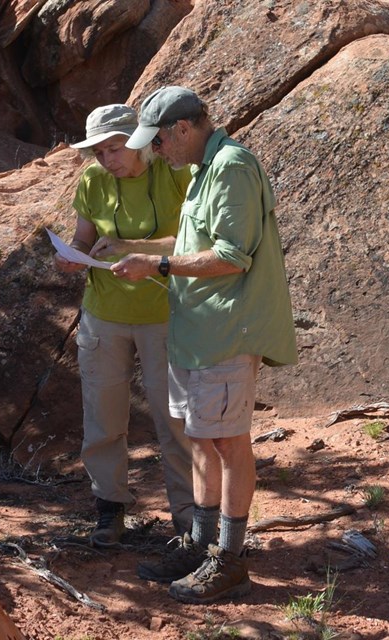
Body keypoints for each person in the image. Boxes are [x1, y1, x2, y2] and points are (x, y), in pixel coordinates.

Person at [91, 86, 297, 602]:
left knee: (228, 442)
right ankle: (201, 546)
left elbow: (231, 255)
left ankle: (229, 560)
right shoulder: (203, 170)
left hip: (226, 332)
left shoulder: (230, 167)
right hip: (197, 331)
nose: (155, 152)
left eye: (157, 142)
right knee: (203, 440)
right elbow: (192, 245)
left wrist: (155, 266)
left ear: (183, 129)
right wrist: (136, 248)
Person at [54, 103, 195, 547]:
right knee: (102, 416)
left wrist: (137, 246)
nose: (106, 159)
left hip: (164, 316)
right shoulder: (93, 180)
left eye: (114, 148)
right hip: (104, 314)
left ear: (139, 142)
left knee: (173, 419)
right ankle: (108, 509)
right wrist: (72, 257)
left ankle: (189, 517)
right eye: (98, 151)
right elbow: (83, 238)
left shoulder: (175, 175)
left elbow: (197, 241)